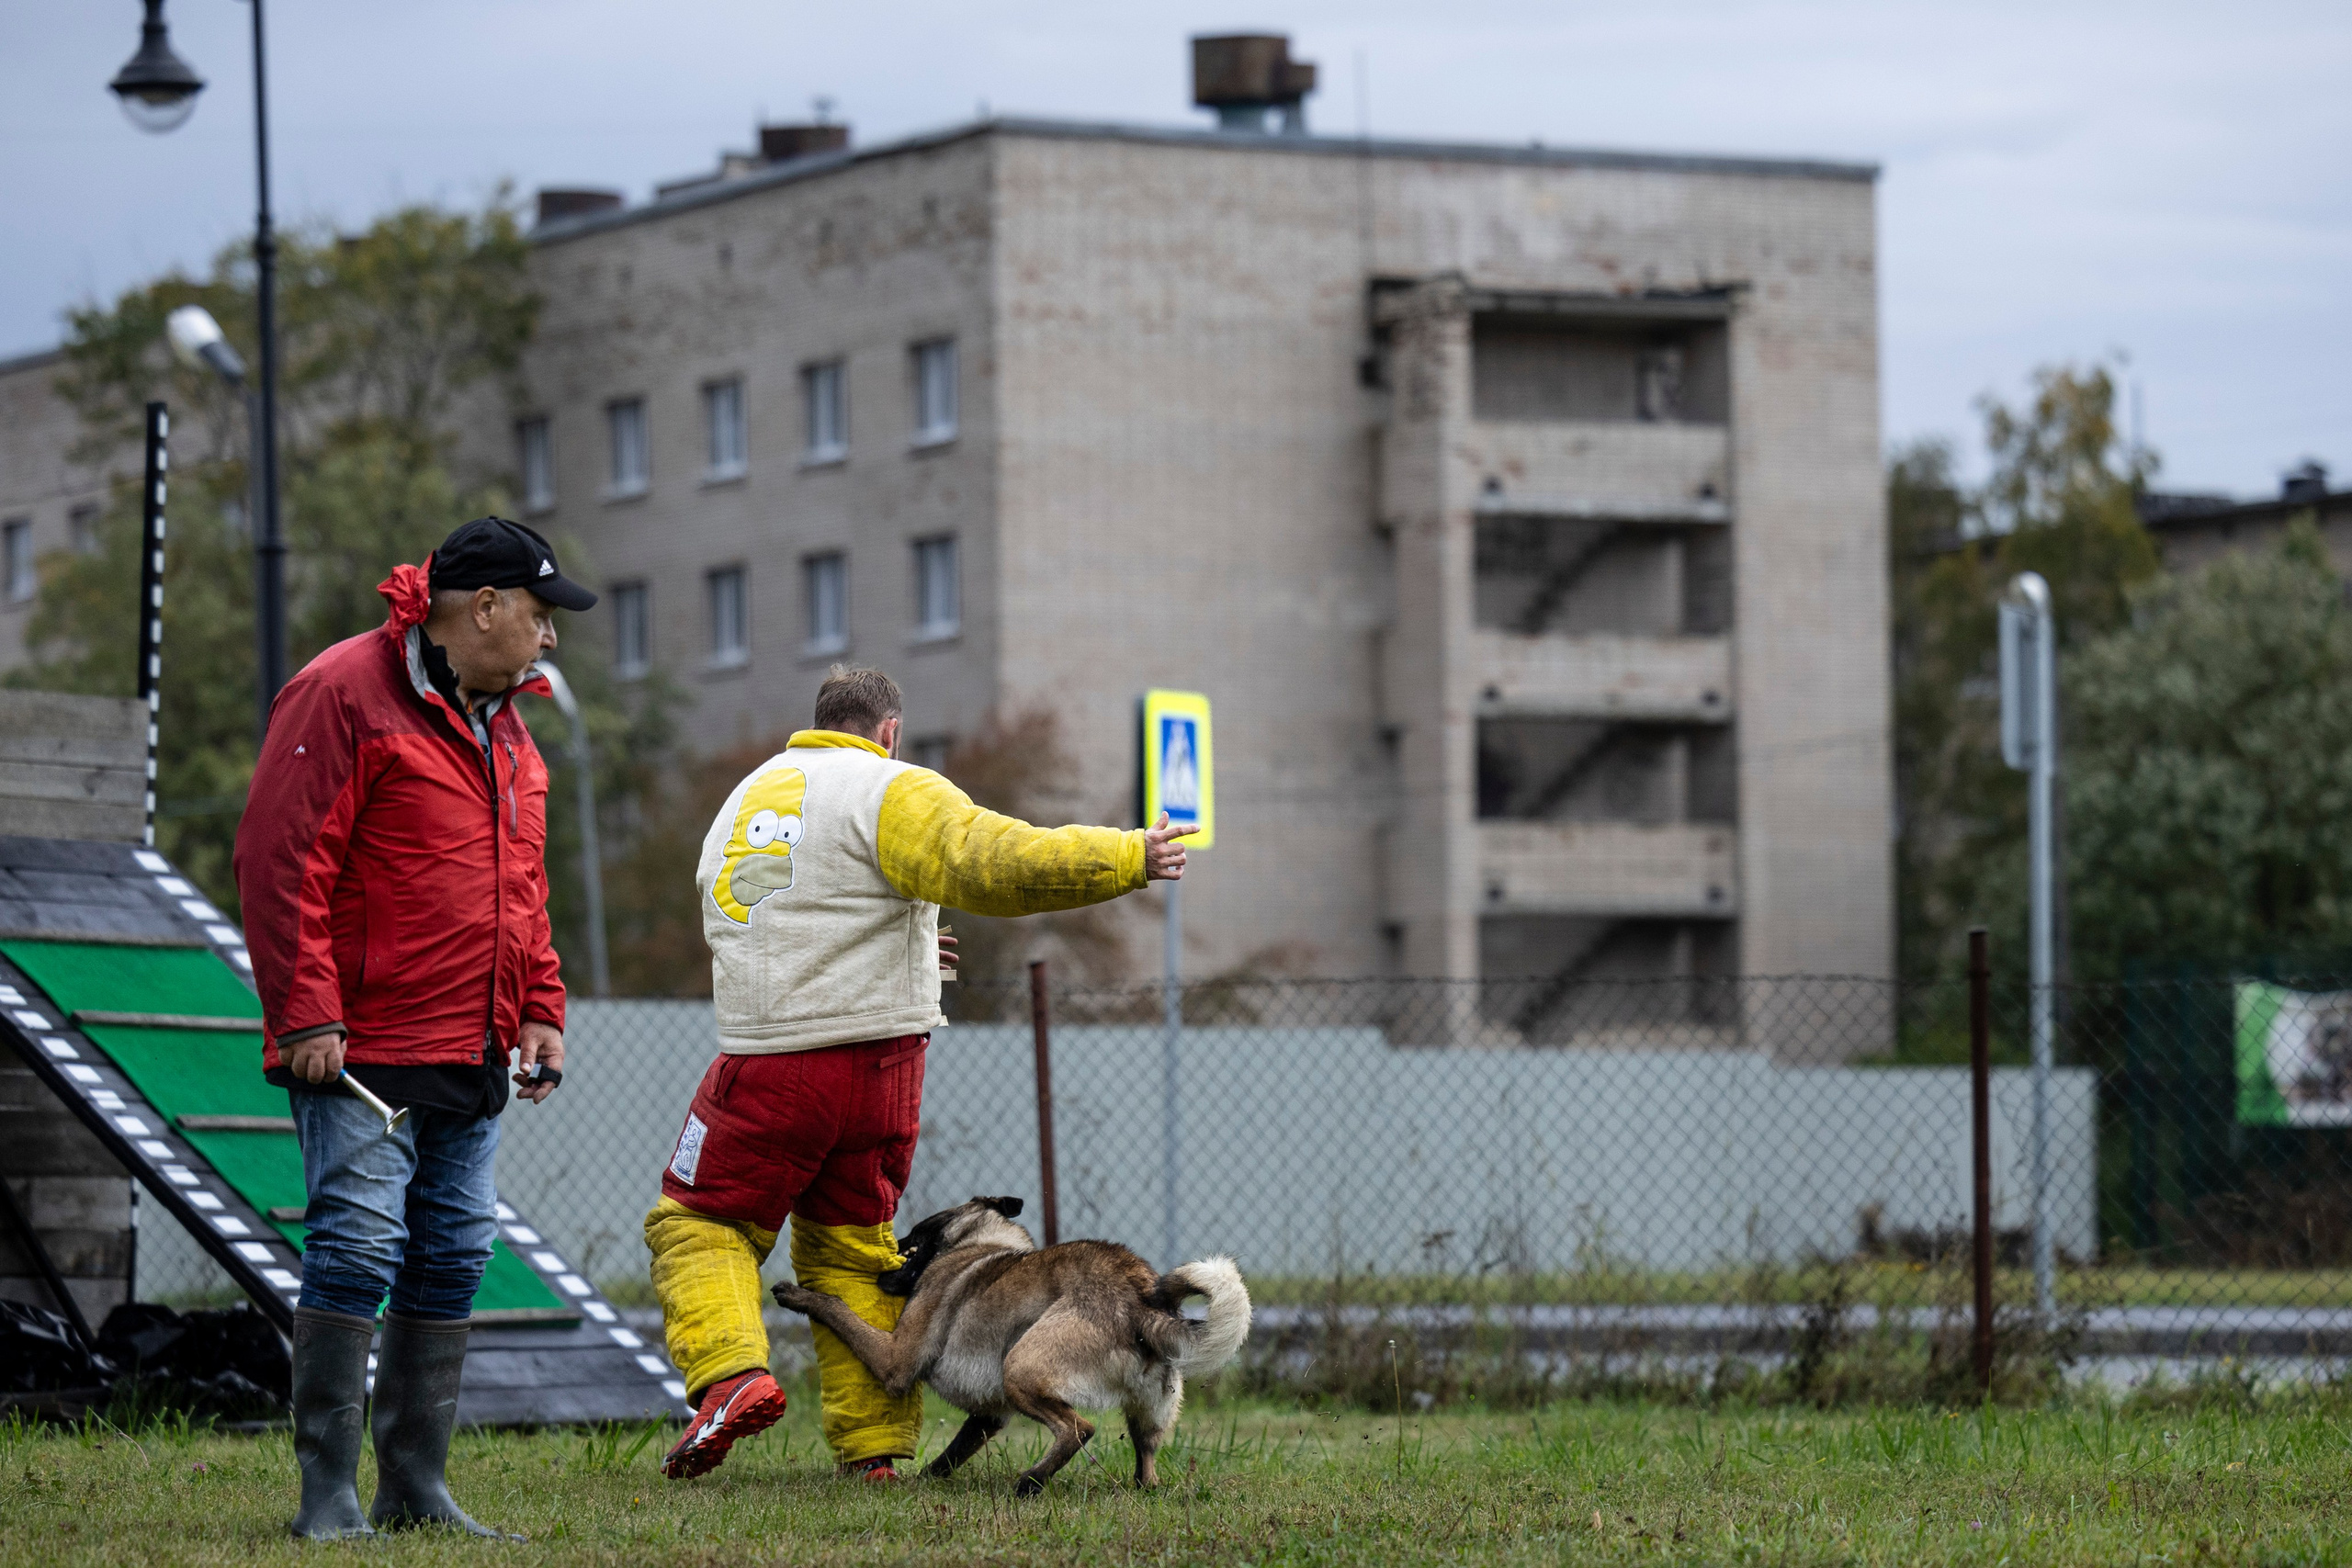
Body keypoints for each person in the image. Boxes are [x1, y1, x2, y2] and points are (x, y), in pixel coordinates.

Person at [647, 666, 1194, 1483]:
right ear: (889, 732)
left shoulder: (745, 800)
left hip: (773, 1063)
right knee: (851, 1251)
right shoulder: (887, 788)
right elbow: (988, 859)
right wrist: (1124, 854)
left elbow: (769, 919)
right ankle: (872, 1451)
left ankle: (730, 1375)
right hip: (884, 1073)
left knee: (699, 1221)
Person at [233, 517, 595, 1540]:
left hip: (471, 1046)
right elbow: (279, 858)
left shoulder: (507, 727)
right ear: (483, 608)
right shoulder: (341, 692)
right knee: (356, 1250)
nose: (550, 637)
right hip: (361, 1051)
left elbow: (522, 886)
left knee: (452, 1254)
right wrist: (305, 1011)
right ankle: (327, 1498)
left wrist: (540, 1005)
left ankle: (414, 1490)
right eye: (540, 614)